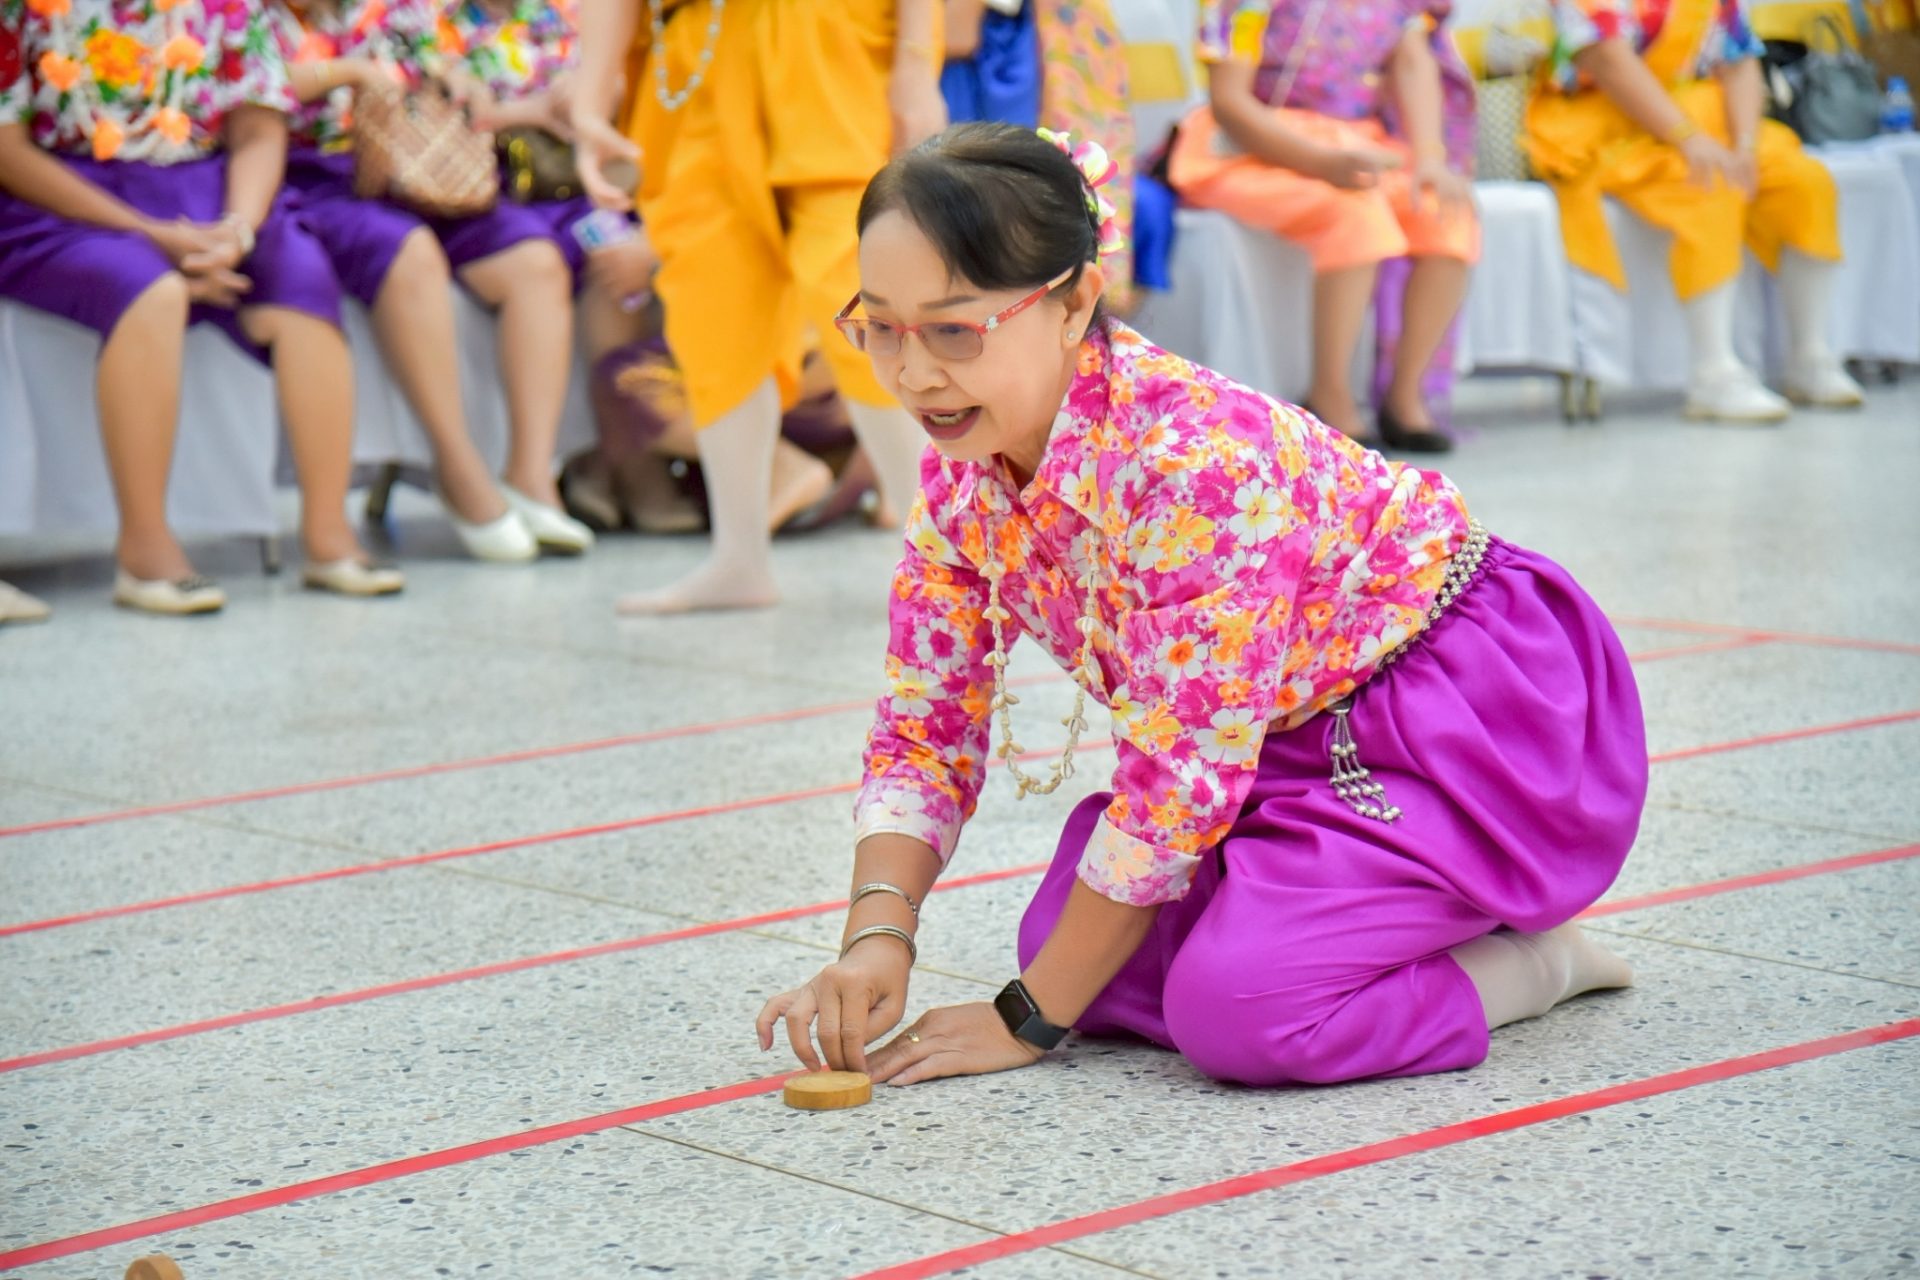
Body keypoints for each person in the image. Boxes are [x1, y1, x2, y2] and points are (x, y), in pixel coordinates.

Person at [755, 124, 1646, 1092]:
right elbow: (924, 726)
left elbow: (1177, 789)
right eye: (881, 325)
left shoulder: (1193, 466)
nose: (913, 372)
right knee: (1068, 945)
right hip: (1265, 739)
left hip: (1449, 717)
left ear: (1073, 302)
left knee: (1239, 1011)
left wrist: (1027, 1018)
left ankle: (1534, 963)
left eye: (953, 329)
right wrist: (877, 938)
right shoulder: (963, 478)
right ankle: (1360, 912)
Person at [0, 0, 402, 614]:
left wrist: (237, 229)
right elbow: (9, 149)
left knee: (301, 279)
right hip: (70, 200)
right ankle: (145, 550)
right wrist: (146, 233)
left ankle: (328, 534)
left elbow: (258, 129)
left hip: (209, 190)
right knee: (147, 288)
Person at [568, 0, 946, 614]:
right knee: (713, 312)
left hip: (827, 38)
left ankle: (944, 554)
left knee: (861, 285)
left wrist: (916, 63)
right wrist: (591, 99)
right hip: (693, 56)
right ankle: (738, 557)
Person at [271, 0, 595, 557]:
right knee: (410, 251)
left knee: (534, 263)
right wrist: (347, 73)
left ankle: (531, 472)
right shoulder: (244, 14)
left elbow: (434, 61)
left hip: (421, 164)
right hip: (315, 174)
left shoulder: (398, 7)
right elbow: (241, 90)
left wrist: (459, 82)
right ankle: (456, 465)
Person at [1525, 0, 1864, 421]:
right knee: (1707, 183)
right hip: (1609, 125)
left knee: (1804, 182)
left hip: (1707, 120)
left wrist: (1745, 145)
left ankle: (1810, 355)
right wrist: (1686, 137)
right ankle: (1714, 371)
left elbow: (1740, 60)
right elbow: (1608, 61)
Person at [1167, 0, 1479, 452]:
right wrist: (1321, 163)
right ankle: (1329, 395)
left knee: (1446, 214)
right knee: (1355, 213)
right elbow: (1230, 103)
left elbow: (1413, 62)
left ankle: (1404, 395)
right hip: (1257, 146)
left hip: (1358, 142)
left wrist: (1430, 158)